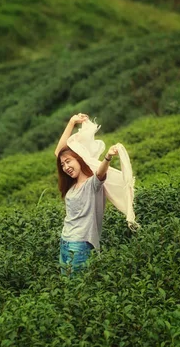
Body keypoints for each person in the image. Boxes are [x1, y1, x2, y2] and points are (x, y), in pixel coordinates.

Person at [55, 113, 119, 275]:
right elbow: (59, 153)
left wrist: (108, 157)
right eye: (63, 165)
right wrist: (71, 122)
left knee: (76, 288)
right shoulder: (73, 185)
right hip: (65, 241)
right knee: (66, 287)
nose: (65, 167)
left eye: (69, 161)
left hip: (80, 244)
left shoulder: (92, 184)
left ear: (79, 159)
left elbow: (100, 173)